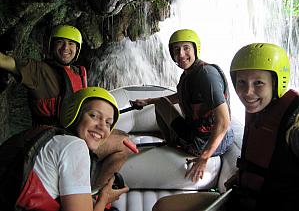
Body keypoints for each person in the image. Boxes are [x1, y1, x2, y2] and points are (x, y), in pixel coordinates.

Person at [152, 43, 299, 211]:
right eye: (242, 82)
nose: (247, 92)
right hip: (243, 198)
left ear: (277, 82)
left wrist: (204, 157)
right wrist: (240, 177)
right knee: (162, 207)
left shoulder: (294, 124)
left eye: (258, 83)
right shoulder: (258, 113)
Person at [0, 24, 132, 191]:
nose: (65, 48)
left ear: (77, 49)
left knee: (122, 134)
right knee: (124, 144)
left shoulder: (78, 72)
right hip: (54, 137)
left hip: (74, 132)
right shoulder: (37, 71)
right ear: (51, 46)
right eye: (60, 43)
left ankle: (88, 176)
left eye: (71, 44)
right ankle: (93, 193)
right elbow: (5, 61)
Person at [0, 86, 129, 211]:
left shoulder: (53, 136)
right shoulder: (75, 147)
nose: (102, 126)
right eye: (94, 116)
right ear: (75, 114)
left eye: (108, 123)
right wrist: (104, 199)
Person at [132, 29, 234, 182]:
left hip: (208, 141)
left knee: (163, 108)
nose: (181, 54)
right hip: (194, 133)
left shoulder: (206, 75)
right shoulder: (189, 74)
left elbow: (224, 121)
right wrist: (148, 101)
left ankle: (175, 145)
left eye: (186, 48)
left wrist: (204, 158)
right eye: (176, 50)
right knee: (160, 104)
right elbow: (180, 97)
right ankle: (171, 143)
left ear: (195, 49)